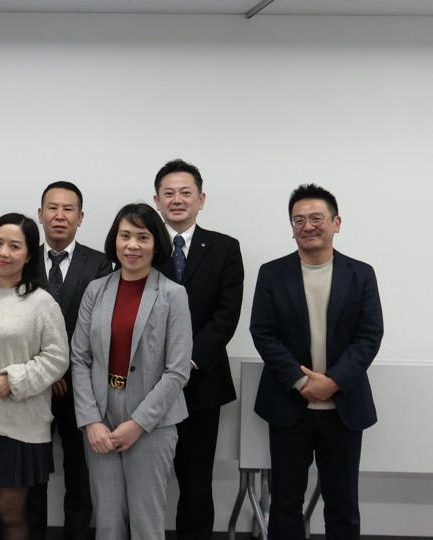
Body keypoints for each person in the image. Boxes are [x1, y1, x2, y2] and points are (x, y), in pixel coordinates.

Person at [250, 183, 383, 540]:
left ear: (336, 223)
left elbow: (369, 336)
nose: (307, 226)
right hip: (288, 405)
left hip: (343, 408)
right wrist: (302, 382)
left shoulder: (361, 274)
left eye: (316, 218)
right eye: (299, 220)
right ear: (291, 227)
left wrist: (334, 381)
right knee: (284, 504)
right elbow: (263, 332)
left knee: (342, 505)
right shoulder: (272, 273)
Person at [70, 202, 191, 540]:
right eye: (125, 236)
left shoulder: (173, 295)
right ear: (115, 240)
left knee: (146, 524)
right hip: (101, 419)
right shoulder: (96, 290)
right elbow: (79, 358)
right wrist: (90, 421)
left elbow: (177, 371)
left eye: (142, 237)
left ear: (156, 244)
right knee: (107, 522)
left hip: (153, 423)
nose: (132, 245)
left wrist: (138, 424)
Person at [0, 213, 69, 540]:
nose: (3, 252)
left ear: (29, 254)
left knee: (11, 513)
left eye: (15, 246)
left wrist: (14, 379)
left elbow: (57, 358)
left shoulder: (42, 302)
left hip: (21, 425)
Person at [151, 159, 243, 540]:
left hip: (201, 382)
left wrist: (186, 363)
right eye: (169, 193)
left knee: (196, 482)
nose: (177, 200)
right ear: (156, 200)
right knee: (145, 481)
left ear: (200, 199)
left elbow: (226, 317)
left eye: (185, 192)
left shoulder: (225, 248)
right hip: (148, 382)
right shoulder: (141, 245)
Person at [29, 181, 111, 540]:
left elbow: (98, 328)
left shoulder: (101, 263)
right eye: (52, 208)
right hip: (33, 386)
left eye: (68, 209)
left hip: (81, 388)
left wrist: (66, 371)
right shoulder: (22, 258)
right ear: (40, 214)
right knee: (32, 474)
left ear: (80, 217)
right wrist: (46, 372)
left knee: (80, 475)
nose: (59, 216)